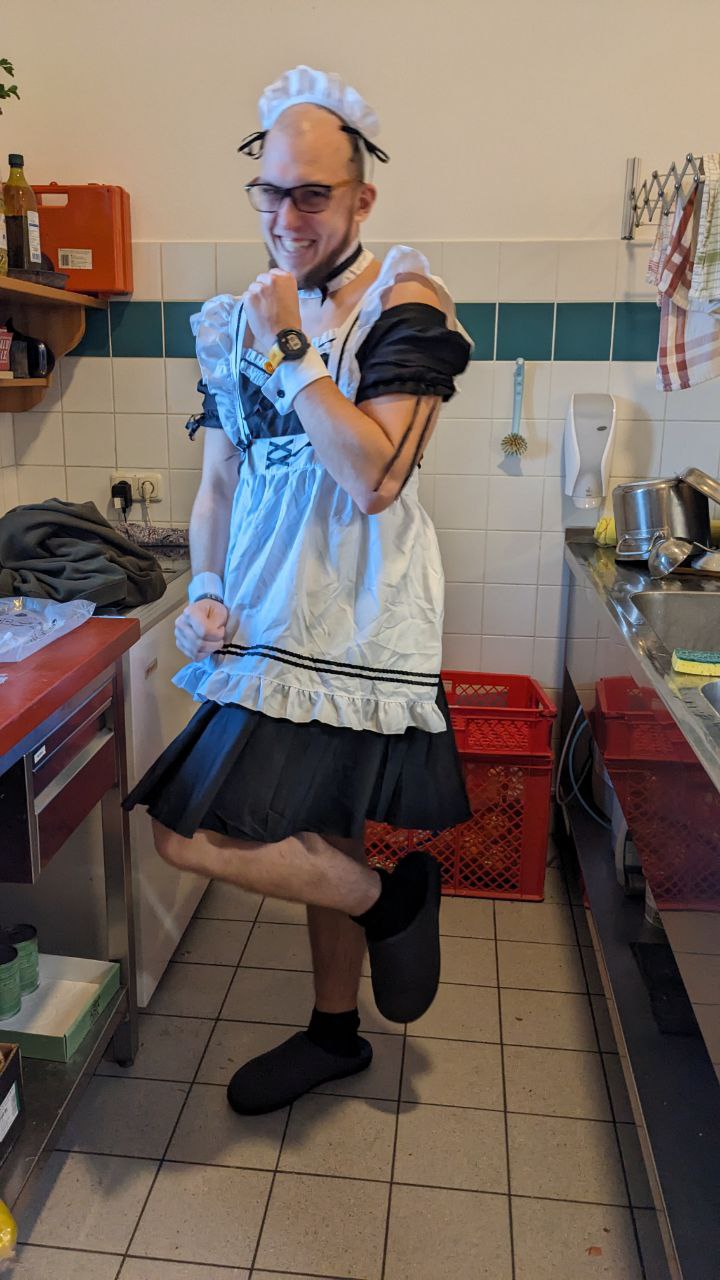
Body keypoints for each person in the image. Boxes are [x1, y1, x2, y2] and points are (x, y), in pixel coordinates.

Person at [125, 64, 472, 1116]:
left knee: (184, 829)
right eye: (270, 193)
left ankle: (387, 906)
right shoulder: (234, 320)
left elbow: (374, 477)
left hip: (356, 614)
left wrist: (290, 344)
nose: (287, 218)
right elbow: (220, 481)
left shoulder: (404, 301)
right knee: (324, 833)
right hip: (263, 612)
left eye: (312, 194)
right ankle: (339, 1021)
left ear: (362, 199)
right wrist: (209, 583)